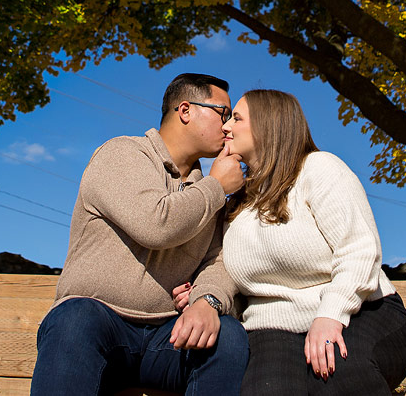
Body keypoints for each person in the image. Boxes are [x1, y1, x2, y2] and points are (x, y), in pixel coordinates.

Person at [175, 88, 406, 395]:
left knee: (337, 375)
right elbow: (230, 273)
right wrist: (201, 293)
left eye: (236, 118)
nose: (226, 127)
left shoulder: (319, 169)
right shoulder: (235, 203)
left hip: (361, 313)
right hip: (271, 328)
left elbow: (359, 251)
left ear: (268, 124)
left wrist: (329, 317)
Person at [32, 72, 249, 395]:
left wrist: (206, 301)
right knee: (75, 319)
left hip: (168, 335)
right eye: (222, 113)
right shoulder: (122, 154)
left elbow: (218, 259)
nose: (228, 125)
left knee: (227, 335)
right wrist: (216, 186)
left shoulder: (208, 191)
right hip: (99, 327)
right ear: (185, 111)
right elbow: (156, 224)